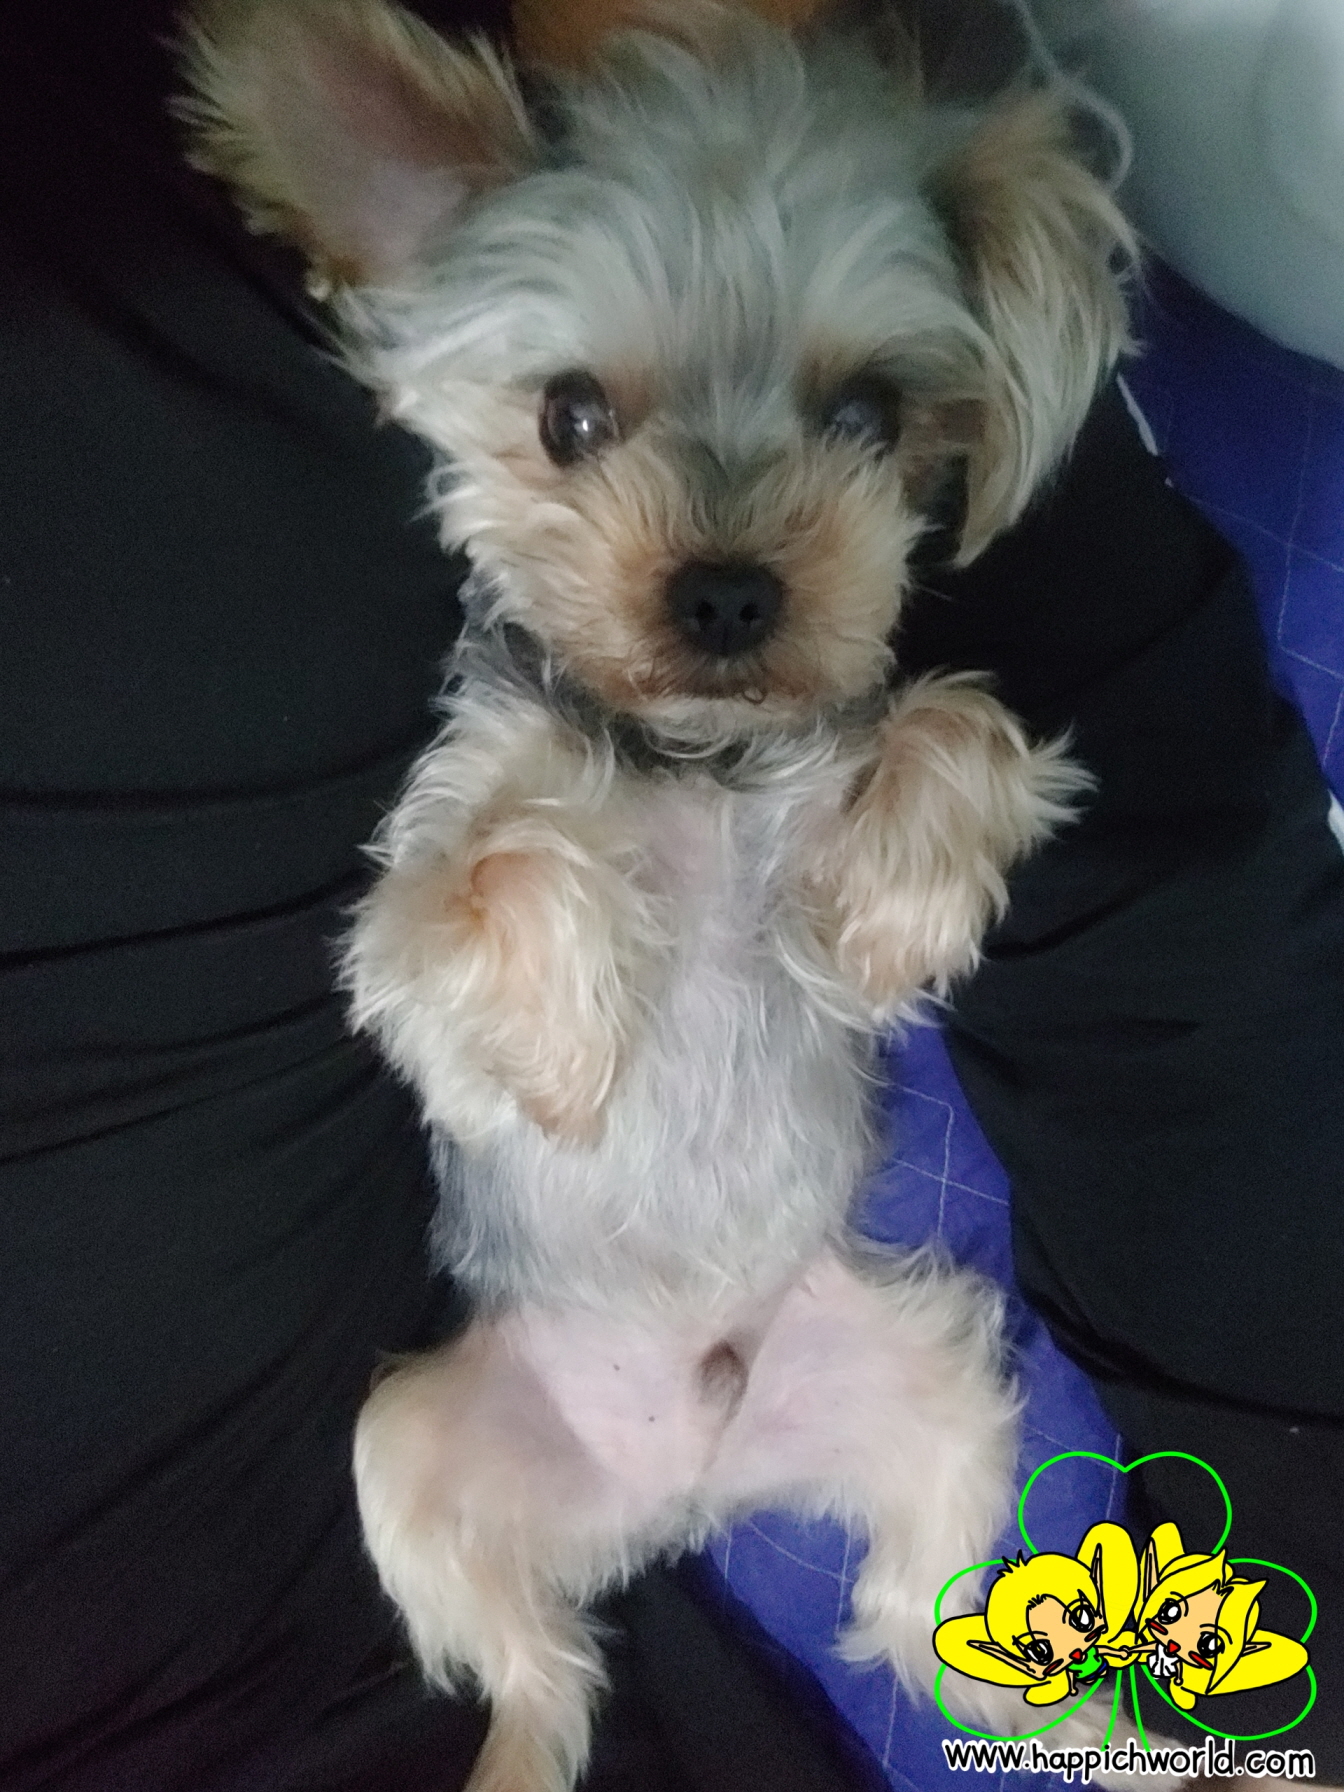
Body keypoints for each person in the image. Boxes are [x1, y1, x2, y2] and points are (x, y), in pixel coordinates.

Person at [2, 0, 1341, 1785]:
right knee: (419, 1485)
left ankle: (987, 1675)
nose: (725, 555)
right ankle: (530, 1709)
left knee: (949, 1449)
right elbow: (434, 998)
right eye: (580, 422)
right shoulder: (500, 757)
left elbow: (1147, 897)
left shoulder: (892, 697)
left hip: (798, 1328)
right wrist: (526, 929)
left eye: (856, 416)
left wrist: (940, 808)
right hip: (531, 1373)